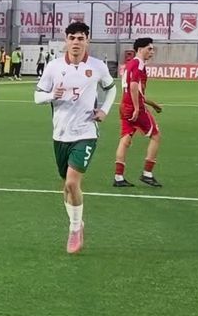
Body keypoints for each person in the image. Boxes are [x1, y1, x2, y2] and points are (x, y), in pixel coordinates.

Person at [34, 22, 117, 254]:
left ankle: (74, 228)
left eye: (80, 38)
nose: (76, 42)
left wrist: (104, 110)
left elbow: (111, 88)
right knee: (67, 187)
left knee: (72, 182)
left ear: (87, 40)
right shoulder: (54, 67)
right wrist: (52, 95)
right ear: (66, 40)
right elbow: (37, 97)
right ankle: (76, 221)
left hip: (86, 132)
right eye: (72, 38)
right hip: (60, 134)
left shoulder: (97, 66)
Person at [114, 38, 164, 188]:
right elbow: (134, 86)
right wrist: (137, 108)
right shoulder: (138, 64)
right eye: (149, 49)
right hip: (135, 107)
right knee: (156, 136)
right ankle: (147, 174)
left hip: (125, 105)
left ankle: (118, 177)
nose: (152, 52)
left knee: (125, 139)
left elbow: (135, 90)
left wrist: (153, 104)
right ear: (140, 49)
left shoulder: (130, 64)